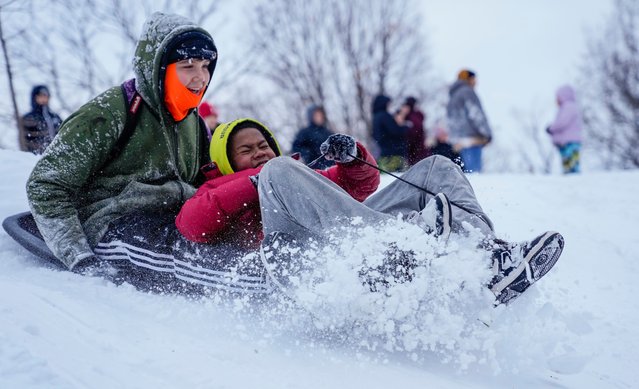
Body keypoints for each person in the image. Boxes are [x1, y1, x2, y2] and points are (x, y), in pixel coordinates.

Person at [175, 118, 564, 305]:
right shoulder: (216, 189)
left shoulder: (293, 175)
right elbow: (191, 225)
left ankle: (485, 261)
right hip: (298, 264)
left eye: (264, 144)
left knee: (437, 168)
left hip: (349, 246)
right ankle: (403, 244)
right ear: (224, 161)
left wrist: (354, 158)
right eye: (247, 149)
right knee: (281, 172)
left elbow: (360, 187)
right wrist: (263, 176)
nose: (260, 151)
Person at [25, 12, 217, 276]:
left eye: (206, 66)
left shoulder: (194, 124)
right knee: (194, 260)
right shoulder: (110, 113)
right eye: (188, 66)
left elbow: (208, 181)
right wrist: (78, 254)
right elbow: (46, 185)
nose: (201, 77)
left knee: (222, 239)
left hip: (175, 216)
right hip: (113, 221)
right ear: (158, 68)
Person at [446, 70, 492, 173]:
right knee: (475, 175)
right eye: (474, 79)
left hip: (458, 141)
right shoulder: (467, 92)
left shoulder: (453, 96)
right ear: (468, 79)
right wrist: (487, 134)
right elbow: (476, 114)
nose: (476, 82)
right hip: (472, 140)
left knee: (465, 176)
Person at [546, 85, 583, 174]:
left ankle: (573, 178)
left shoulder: (569, 107)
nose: (556, 100)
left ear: (563, 96)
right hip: (566, 142)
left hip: (571, 141)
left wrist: (551, 128)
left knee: (572, 164)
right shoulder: (566, 107)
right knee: (567, 164)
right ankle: (570, 177)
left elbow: (562, 122)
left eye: (557, 97)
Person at [20, 85, 63, 154]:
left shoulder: (55, 117)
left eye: (45, 96)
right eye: (40, 96)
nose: (43, 99)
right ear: (34, 98)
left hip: (56, 155)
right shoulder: (28, 118)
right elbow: (24, 140)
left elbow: (62, 134)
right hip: (34, 156)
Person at [372, 94, 409, 172]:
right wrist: (405, 127)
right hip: (393, 153)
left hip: (383, 154)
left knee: (387, 176)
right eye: (388, 104)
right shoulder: (385, 116)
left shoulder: (375, 117)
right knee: (396, 177)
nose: (389, 106)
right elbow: (395, 131)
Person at [291, 105, 334, 169]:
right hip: (312, 168)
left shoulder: (328, 133)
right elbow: (296, 147)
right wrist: (307, 154)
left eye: (321, 115)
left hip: (329, 167)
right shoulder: (305, 132)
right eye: (316, 115)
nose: (319, 118)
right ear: (311, 116)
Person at [403, 97, 429, 166]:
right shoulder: (414, 116)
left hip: (416, 149)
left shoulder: (413, 117)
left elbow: (415, 132)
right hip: (417, 148)